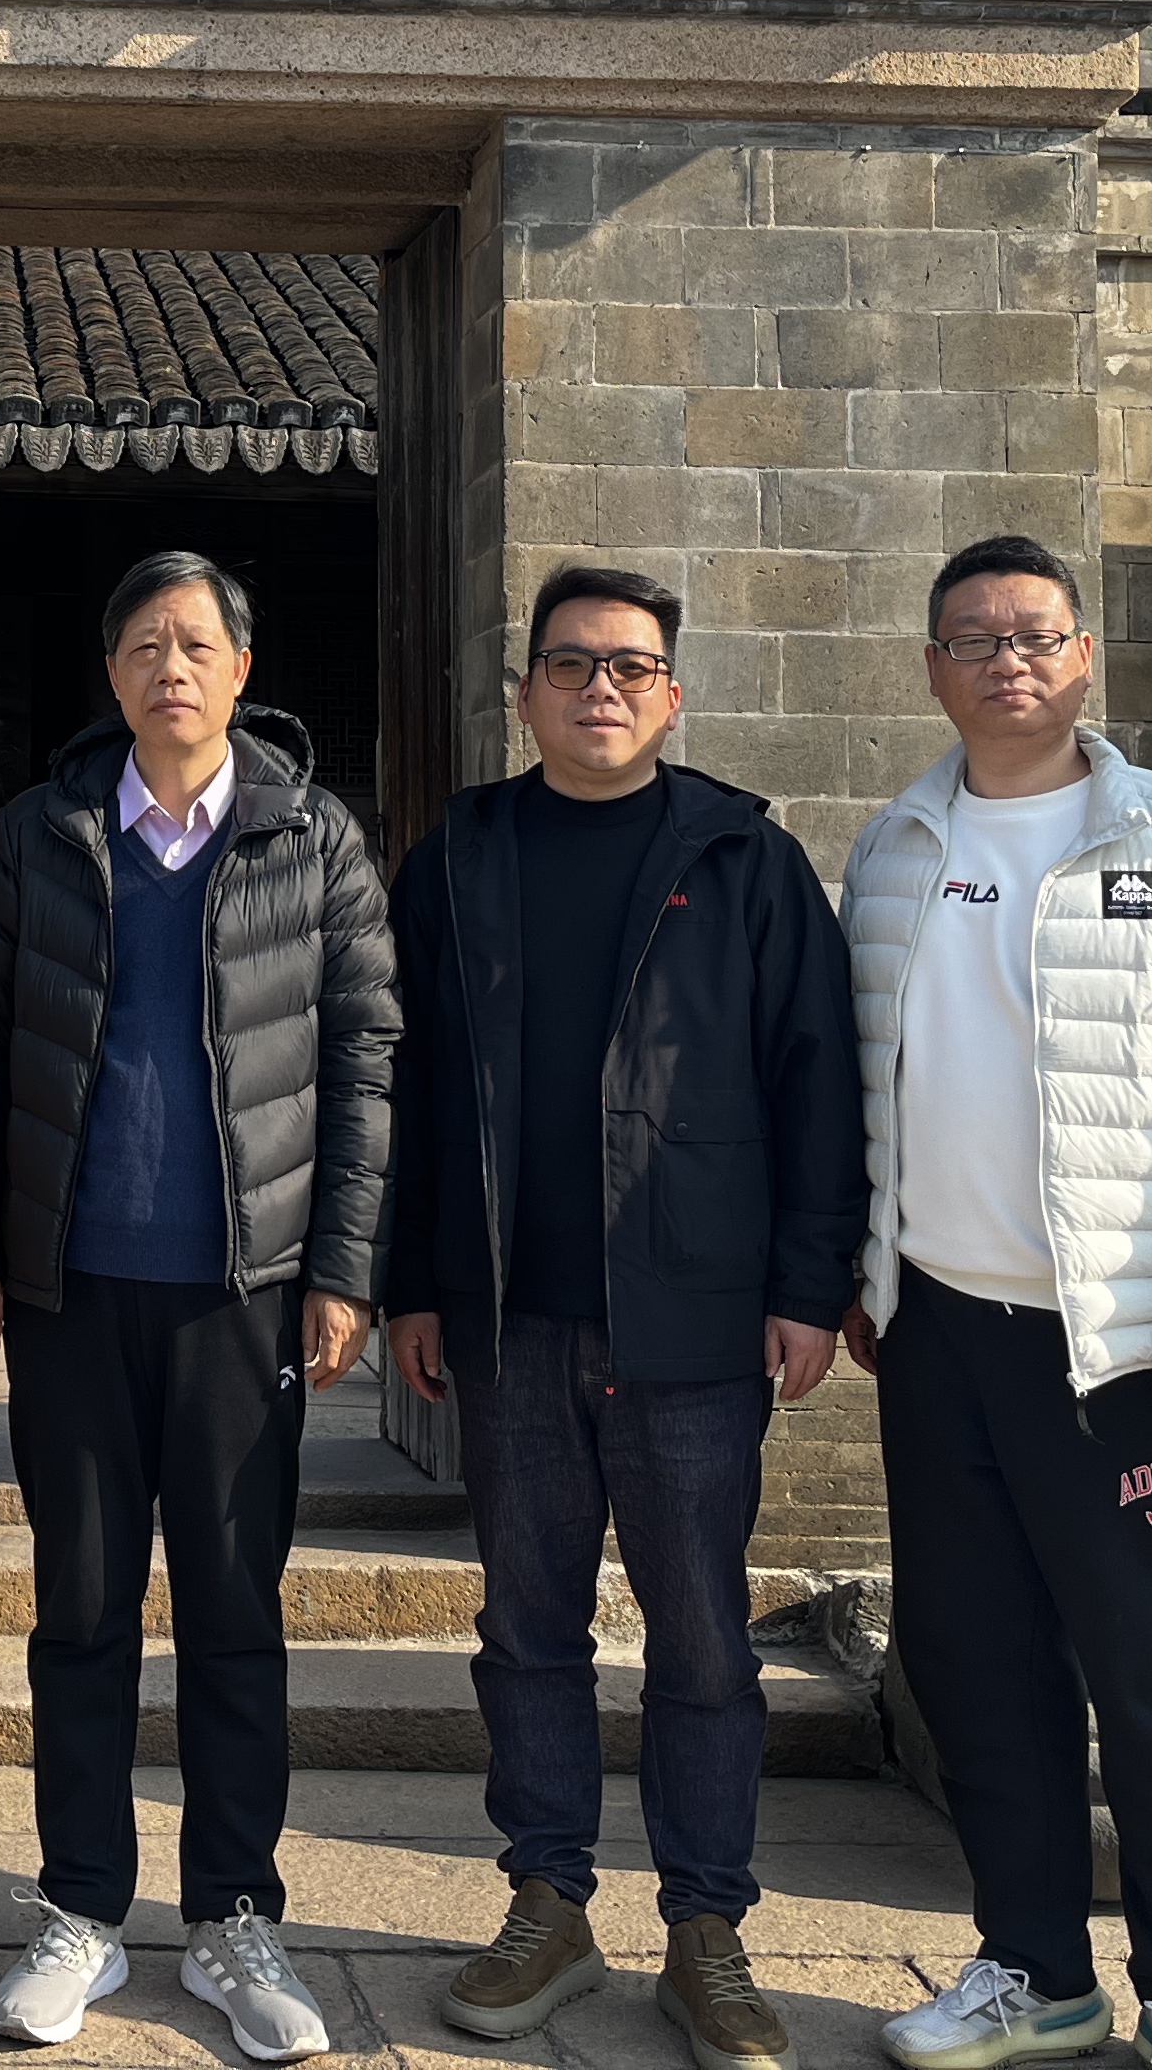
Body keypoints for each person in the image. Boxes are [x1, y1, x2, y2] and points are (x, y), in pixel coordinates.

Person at [379, 563, 861, 2070]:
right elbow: (407, 1082)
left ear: (672, 695)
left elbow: (817, 1080)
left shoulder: (744, 860)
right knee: (528, 1625)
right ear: (524, 690)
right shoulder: (461, 856)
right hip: (510, 1317)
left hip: (694, 1321)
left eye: (631, 668)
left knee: (703, 1636)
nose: (602, 689)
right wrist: (408, 1281)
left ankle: (707, 1925)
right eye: (572, 665)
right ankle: (548, 1899)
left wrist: (809, 1286)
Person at [844, 535, 1152, 2070]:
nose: (1008, 663)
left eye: (1035, 635)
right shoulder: (897, 846)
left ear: (1084, 655)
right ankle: (1033, 1969)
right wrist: (863, 1268)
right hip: (940, 1330)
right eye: (974, 639)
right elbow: (867, 1079)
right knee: (978, 1667)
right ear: (932, 667)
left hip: (1127, 1342)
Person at [0, 551, 397, 2065]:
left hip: (240, 1294)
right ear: (113, 673)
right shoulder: (40, 835)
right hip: (73, 1287)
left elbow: (364, 1061)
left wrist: (343, 1267)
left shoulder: (313, 838)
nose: (170, 667)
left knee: (234, 1611)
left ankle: (234, 1916)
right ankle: (81, 1906)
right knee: (79, 1609)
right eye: (143, 644)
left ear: (242, 671)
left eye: (196, 644)